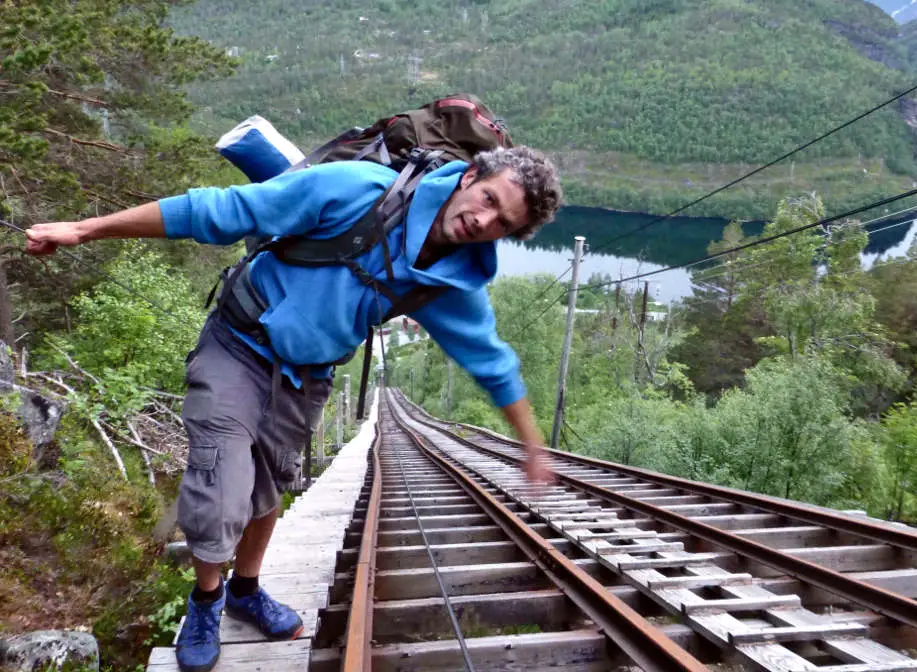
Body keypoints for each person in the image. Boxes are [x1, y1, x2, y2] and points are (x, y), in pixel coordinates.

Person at [25, 145, 563, 672]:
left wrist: (533, 446)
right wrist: (83, 229)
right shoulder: (357, 191)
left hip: (307, 376)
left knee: (267, 488)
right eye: (488, 198)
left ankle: (246, 590)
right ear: (470, 176)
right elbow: (219, 210)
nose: (482, 219)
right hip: (238, 345)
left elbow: (492, 362)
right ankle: (206, 602)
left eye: (501, 222)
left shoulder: (453, 281)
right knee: (222, 487)